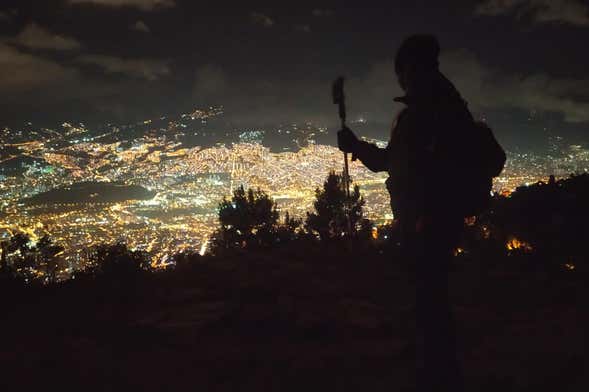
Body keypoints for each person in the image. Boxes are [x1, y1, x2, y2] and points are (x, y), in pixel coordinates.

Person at [338, 34, 470, 392]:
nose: (402, 78)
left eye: (404, 71)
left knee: (429, 298)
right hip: (438, 218)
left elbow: (393, 163)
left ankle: (438, 374)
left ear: (412, 70)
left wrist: (356, 147)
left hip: (427, 220)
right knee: (432, 295)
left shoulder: (425, 114)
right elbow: (397, 162)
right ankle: (438, 367)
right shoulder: (447, 106)